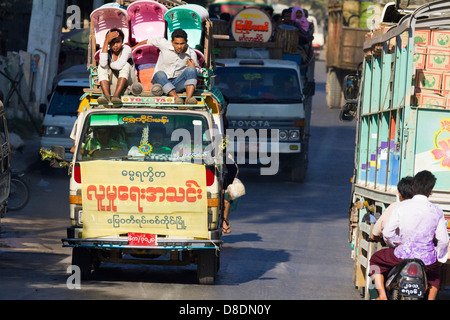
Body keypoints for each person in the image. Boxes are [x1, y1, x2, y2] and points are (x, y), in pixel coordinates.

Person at [369, 170, 449, 300]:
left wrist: (396, 243)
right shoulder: (436, 210)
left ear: (413, 186)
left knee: (375, 260)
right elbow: (444, 240)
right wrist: (439, 256)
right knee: (435, 279)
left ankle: (382, 295)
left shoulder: (401, 207)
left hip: (402, 254)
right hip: (427, 259)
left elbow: (388, 232)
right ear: (431, 190)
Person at [133, 29, 200, 105]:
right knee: (160, 74)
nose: (179, 46)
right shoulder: (164, 44)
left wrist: (194, 67)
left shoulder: (191, 53)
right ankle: (176, 99)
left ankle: (188, 100)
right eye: (176, 43)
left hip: (177, 84)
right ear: (172, 42)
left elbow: (196, 71)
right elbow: (149, 40)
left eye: (182, 43)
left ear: (186, 42)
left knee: (191, 69)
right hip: (161, 82)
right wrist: (132, 48)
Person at [98, 28, 140, 105]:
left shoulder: (126, 49)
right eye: (112, 43)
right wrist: (106, 41)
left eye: (118, 42)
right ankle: (107, 96)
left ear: (122, 42)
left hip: (129, 82)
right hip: (115, 81)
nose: (115, 45)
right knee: (101, 67)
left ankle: (116, 96)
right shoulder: (105, 50)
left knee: (125, 65)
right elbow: (103, 64)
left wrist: (110, 63)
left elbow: (119, 66)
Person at [370, 176, 414, 245]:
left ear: (399, 194)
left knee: (376, 256)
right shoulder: (427, 209)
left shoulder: (395, 207)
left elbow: (378, 232)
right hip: (422, 251)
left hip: (398, 249)